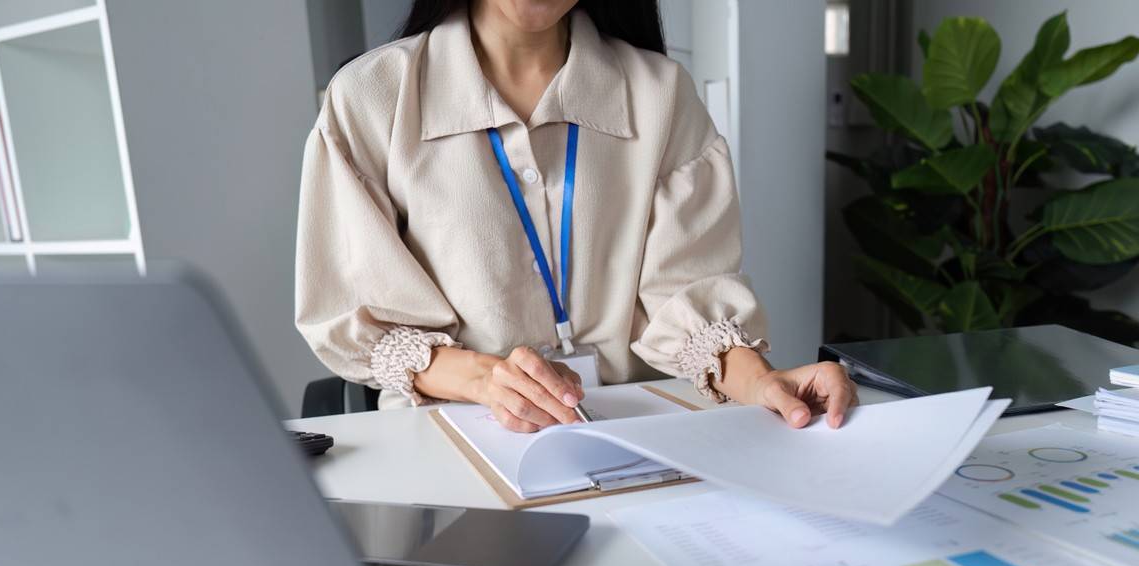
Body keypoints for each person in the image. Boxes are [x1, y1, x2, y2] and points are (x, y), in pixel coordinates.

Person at [295, 0, 856, 432]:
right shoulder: (370, 98)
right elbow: (358, 317)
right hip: (448, 441)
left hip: (635, 442)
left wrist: (762, 382)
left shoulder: (662, 94)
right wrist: (485, 379)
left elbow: (688, 295)